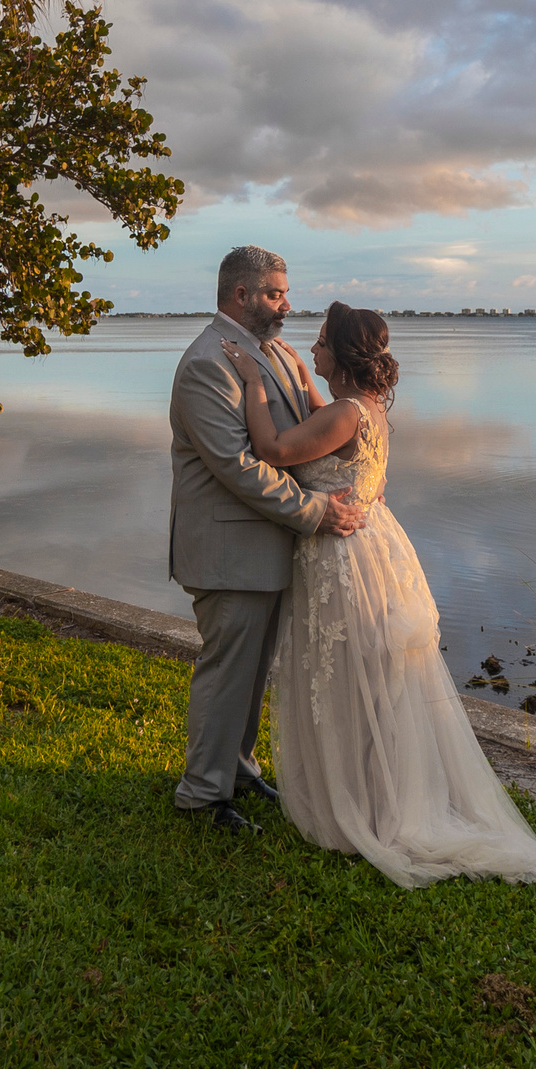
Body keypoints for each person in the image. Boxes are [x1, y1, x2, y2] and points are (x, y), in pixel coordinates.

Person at [219, 303, 536, 889]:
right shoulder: (363, 411)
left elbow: (277, 451)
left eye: (318, 344)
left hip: (342, 556)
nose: (311, 349)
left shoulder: (344, 414)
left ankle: (361, 804)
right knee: (363, 674)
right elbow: (322, 417)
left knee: (344, 675)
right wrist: (297, 373)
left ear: (340, 353)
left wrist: (256, 381)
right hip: (372, 546)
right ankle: (369, 790)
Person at [167, 246, 367, 832]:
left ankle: (238, 769)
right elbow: (235, 464)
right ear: (240, 296)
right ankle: (202, 796)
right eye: (276, 293)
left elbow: (299, 433)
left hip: (264, 546)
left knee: (253, 671)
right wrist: (314, 513)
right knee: (227, 671)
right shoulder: (208, 362)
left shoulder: (268, 353)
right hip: (228, 548)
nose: (286, 303)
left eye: (283, 292)